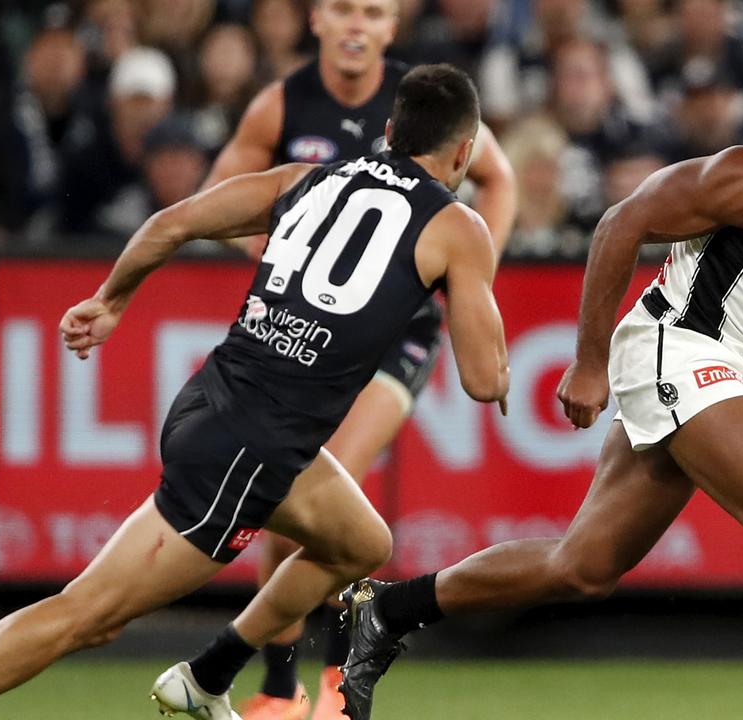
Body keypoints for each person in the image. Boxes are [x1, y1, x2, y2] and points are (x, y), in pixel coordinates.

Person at [0, 63, 509, 720]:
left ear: (389, 130)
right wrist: (498, 358)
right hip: (248, 452)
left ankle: (208, 673)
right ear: (464, 150)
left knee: (363, 544)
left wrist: (111, 301)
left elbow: (172, 223)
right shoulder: (457, 226)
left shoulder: (306, 179)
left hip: (208, 404)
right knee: (90, 615)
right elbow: (483, 380)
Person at [337, 29, 743, 720]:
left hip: (722, 367)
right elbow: (623, 221)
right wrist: (589, 363)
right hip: (674, 346)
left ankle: (385, 610)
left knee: (584, 568)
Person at [194, 1, 515, 718]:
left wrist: (465, 277)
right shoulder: (281, 103)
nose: (355, 23)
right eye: (342, 6)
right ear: (315, 20)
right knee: (291, 504)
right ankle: (284, 685)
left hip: (398, 333)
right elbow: (218, 203)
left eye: (372, 10)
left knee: (319, 475)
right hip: (319, 334)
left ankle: (332, 678)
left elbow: (499, 179)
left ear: (390, 28)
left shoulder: (425, 100)